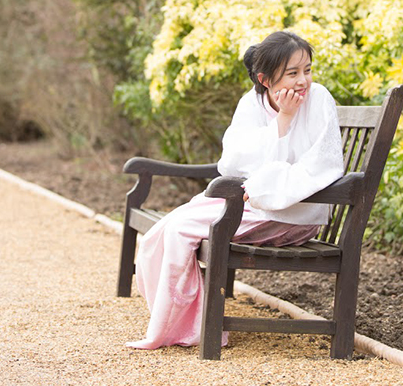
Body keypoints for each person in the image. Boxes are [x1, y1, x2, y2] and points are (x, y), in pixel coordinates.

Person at [126, 30, 344, 350]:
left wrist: (264, 184)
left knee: (179, 232)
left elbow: (322, 166)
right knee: (160, 233)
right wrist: (282, 121)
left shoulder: (319, 99)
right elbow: (233, 162)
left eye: (307, 70)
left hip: (292, 212)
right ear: (265, 79)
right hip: (249, 204)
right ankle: (185, 323)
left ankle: (190, 328)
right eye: (293, 73)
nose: (303, 81)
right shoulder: (251, 103)